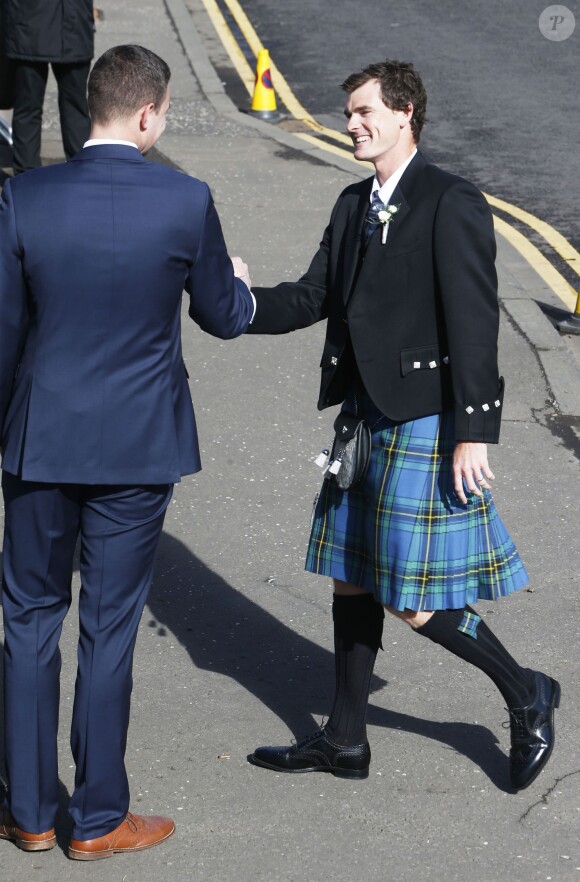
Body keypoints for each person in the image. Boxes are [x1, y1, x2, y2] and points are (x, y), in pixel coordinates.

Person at [243, 60, 559, 790]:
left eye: (362, 112)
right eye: (348, 113)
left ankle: (526, 691)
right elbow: (309, 296)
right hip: (363, 415)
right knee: (353, 578)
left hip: (423, 415)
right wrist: (237, 305)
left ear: (405, 112)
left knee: (412, 598)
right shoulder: (354, 204)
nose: (350, 124)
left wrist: (473, 429)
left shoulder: (451, 201)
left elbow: (477, 322)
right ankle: (345, 740)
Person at [0, 44, 254, 859]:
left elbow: (5, 333)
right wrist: (242, 284)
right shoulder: (186, 199)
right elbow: (221, 313)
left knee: (29, 621)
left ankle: (32, 813)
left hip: (39, 441)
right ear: (148, 114)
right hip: (138, 448)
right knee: (108, 630)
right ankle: (98, 820)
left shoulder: (24, 195)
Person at [3, 0, 94, 173]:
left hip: (53, 25)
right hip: (40, 25)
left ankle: (27, 179)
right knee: (71, 108)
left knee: (33, 107)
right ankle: (82, 173)